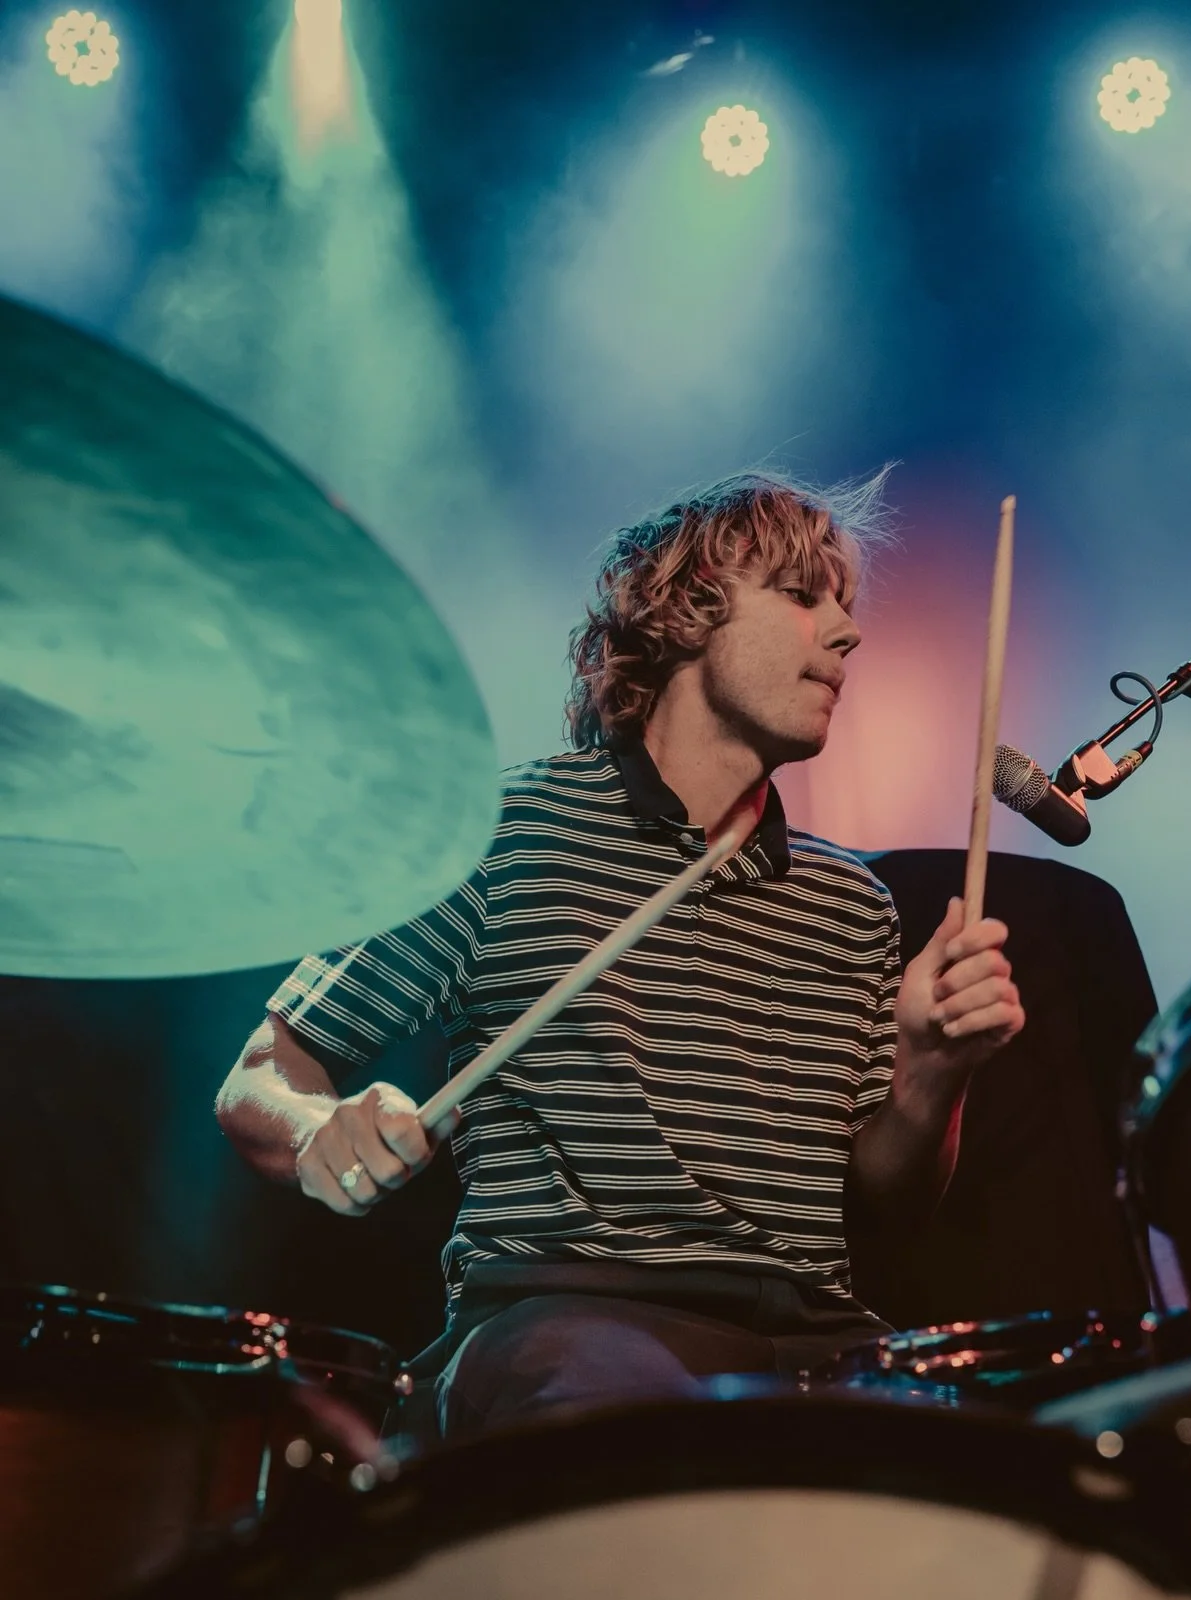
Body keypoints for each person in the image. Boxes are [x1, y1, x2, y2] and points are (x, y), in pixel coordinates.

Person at [216, 472, 1025, 1434]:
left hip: (816, 1341)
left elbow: (885, 1200)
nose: (846, 636)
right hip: (573, 1313)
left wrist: (932, 1073)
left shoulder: (850, 903)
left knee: (987, 1480)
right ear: (687, 612)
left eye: (846, 609)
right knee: (635, 1429)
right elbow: (259, 1079)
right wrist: (318, 1131)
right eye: (803, 597)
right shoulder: (507, 830)